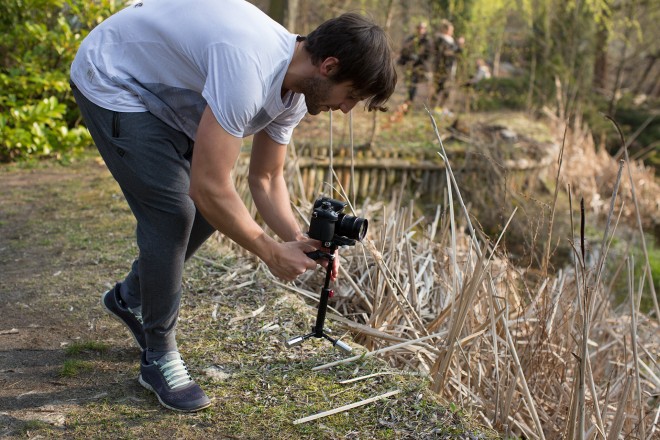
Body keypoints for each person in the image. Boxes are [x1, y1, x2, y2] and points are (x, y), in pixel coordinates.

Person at [69, 0, 396, 413]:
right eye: (350, 97)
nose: (346, 110)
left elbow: (266, 178)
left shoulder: (294, 93)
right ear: (329, 66)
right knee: (175, 212)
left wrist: (297, 239)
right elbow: (207, 186)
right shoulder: (249, 66)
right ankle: (158, 356)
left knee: (210, 208)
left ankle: (131, 297)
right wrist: (268, 251)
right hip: (114, 76)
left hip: (163, 88)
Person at [397, 21, 432, 111]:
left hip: (420, 67)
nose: (420, 30)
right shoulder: (411, 39)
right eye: (419, 28)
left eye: (422, 28)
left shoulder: (427, 41)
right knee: (410, 85)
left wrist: (419, 58)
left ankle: (410, 104)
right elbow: (404, 50)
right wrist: (409, 56)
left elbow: (429, 54)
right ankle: (407, 104)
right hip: (409, 66)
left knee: (416, 86)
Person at [431, 19, 464, 109]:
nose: (452, 32)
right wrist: (457, 45)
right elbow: (446, 52)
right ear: (445, 29)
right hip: (442, 68)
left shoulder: (450, 40)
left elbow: (457, 52)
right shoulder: (440, 39)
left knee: (447, 89)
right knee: (439, 88)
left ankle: (441, 108)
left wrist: (459, 46)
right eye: (450, 30)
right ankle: (433, 107)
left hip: (450, 67)